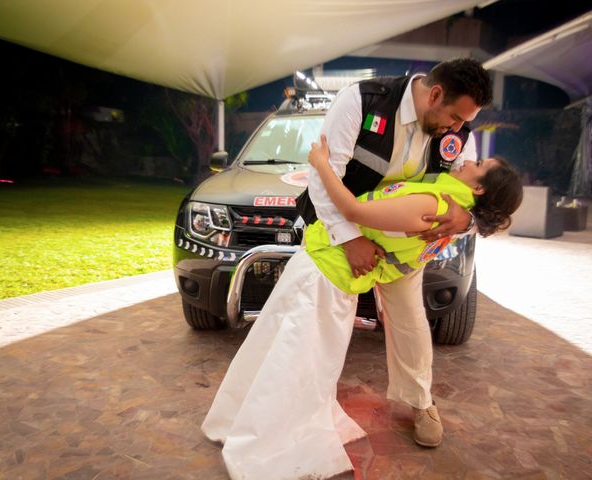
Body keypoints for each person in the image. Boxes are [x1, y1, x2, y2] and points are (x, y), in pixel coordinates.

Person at [201, 135, 523, 480]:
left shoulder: (436, 205)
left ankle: (266, 436)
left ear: (477, 189)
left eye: (478, 165)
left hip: (326, 276)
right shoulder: (447, 206)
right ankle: (252, 420)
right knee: (287, 352)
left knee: (292, 359)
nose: (466, 160)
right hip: (328, 270)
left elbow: (353, 211)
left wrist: (321, 163)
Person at [295, 58, 493, 448]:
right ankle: (306, 401)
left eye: (463, 122)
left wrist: (465, 219)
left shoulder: (459, 129)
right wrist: (349, 238)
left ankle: (420, 401)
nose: (458, 129)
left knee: (410, 320)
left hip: (404, 245)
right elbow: (324, 172)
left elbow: (479, 197)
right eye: (454, 117)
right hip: (340, 228)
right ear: (435, 94)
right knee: (319, 317)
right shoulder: (363, 100)